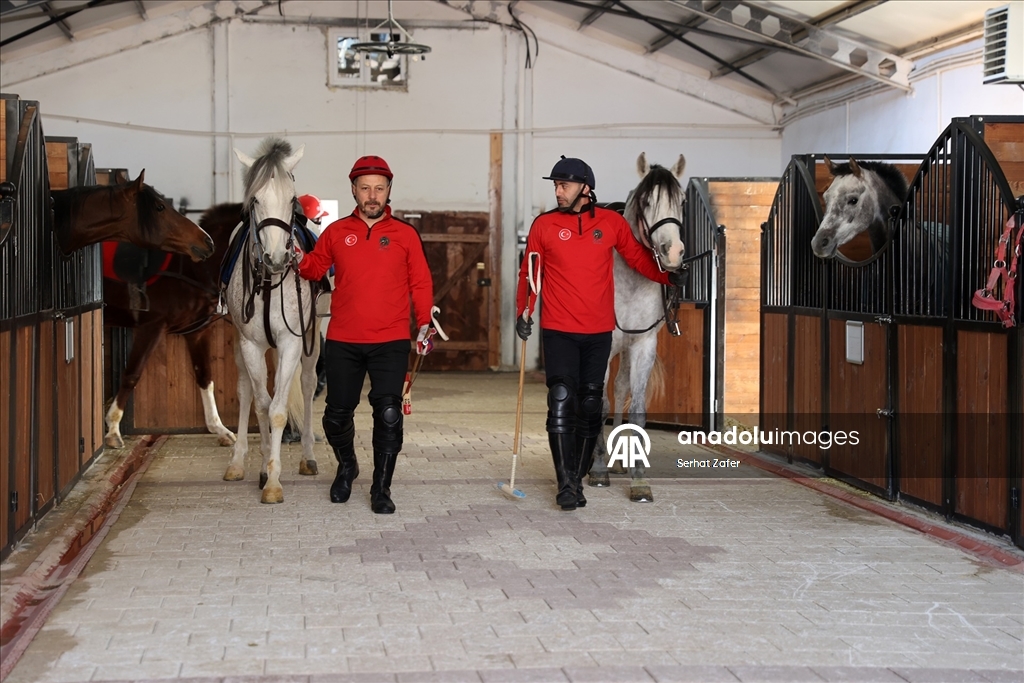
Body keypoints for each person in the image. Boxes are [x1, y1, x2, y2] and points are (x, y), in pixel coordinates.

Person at [515, 156, 686, 511]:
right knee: (561, 401)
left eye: (563, 185)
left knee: (592, 406)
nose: (558, 191)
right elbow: (530, 272)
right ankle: (565, 483)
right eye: (556, 185)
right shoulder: (543, 225)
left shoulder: (610, 223)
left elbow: (639, 260)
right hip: (558, 329)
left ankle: (579, 478)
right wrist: (524, 309)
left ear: (585, 188)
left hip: (597, 330)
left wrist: (669, 278)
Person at [295, 156, 435, 514]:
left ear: (388, 190)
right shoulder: (336, 232)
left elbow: (420, 282)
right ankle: (347, 466)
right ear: (354, 190)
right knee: (335, 416)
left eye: (379, 188)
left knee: (388, 414)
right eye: (365, 188)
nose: (372, 195)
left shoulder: (405, 235)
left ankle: (381, 487)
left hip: (389, 341)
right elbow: (314, 268)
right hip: (344, 338)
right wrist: (294, 255)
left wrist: (424, 324)